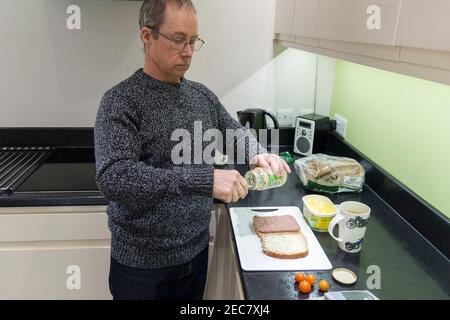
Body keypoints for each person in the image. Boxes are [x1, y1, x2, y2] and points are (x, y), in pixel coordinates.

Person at [94, 0, 290, 300]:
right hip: (142, 267)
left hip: (196, 254)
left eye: (192, 41)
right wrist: (205, 179)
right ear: (148, 36)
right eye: (177, 40)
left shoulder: (201, 96)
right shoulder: (120, 101)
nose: (187, 52)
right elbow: (115, 177)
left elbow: (232, 130)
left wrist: (256, 153)